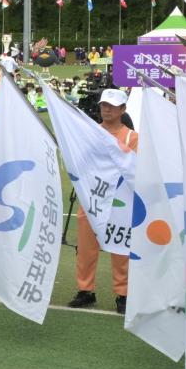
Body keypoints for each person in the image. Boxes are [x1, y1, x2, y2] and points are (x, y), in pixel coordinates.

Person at [66, 89, 138, 314]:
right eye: (103, 105)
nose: (106, 109)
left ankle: (123, 294)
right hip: (92, 198)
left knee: (121, 249)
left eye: (111, 106)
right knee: (86, 248)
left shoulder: (132, 137)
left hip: (120, 203)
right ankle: (85, 290)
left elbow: (134, 170)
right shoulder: (90, 133)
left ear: (122, 110)